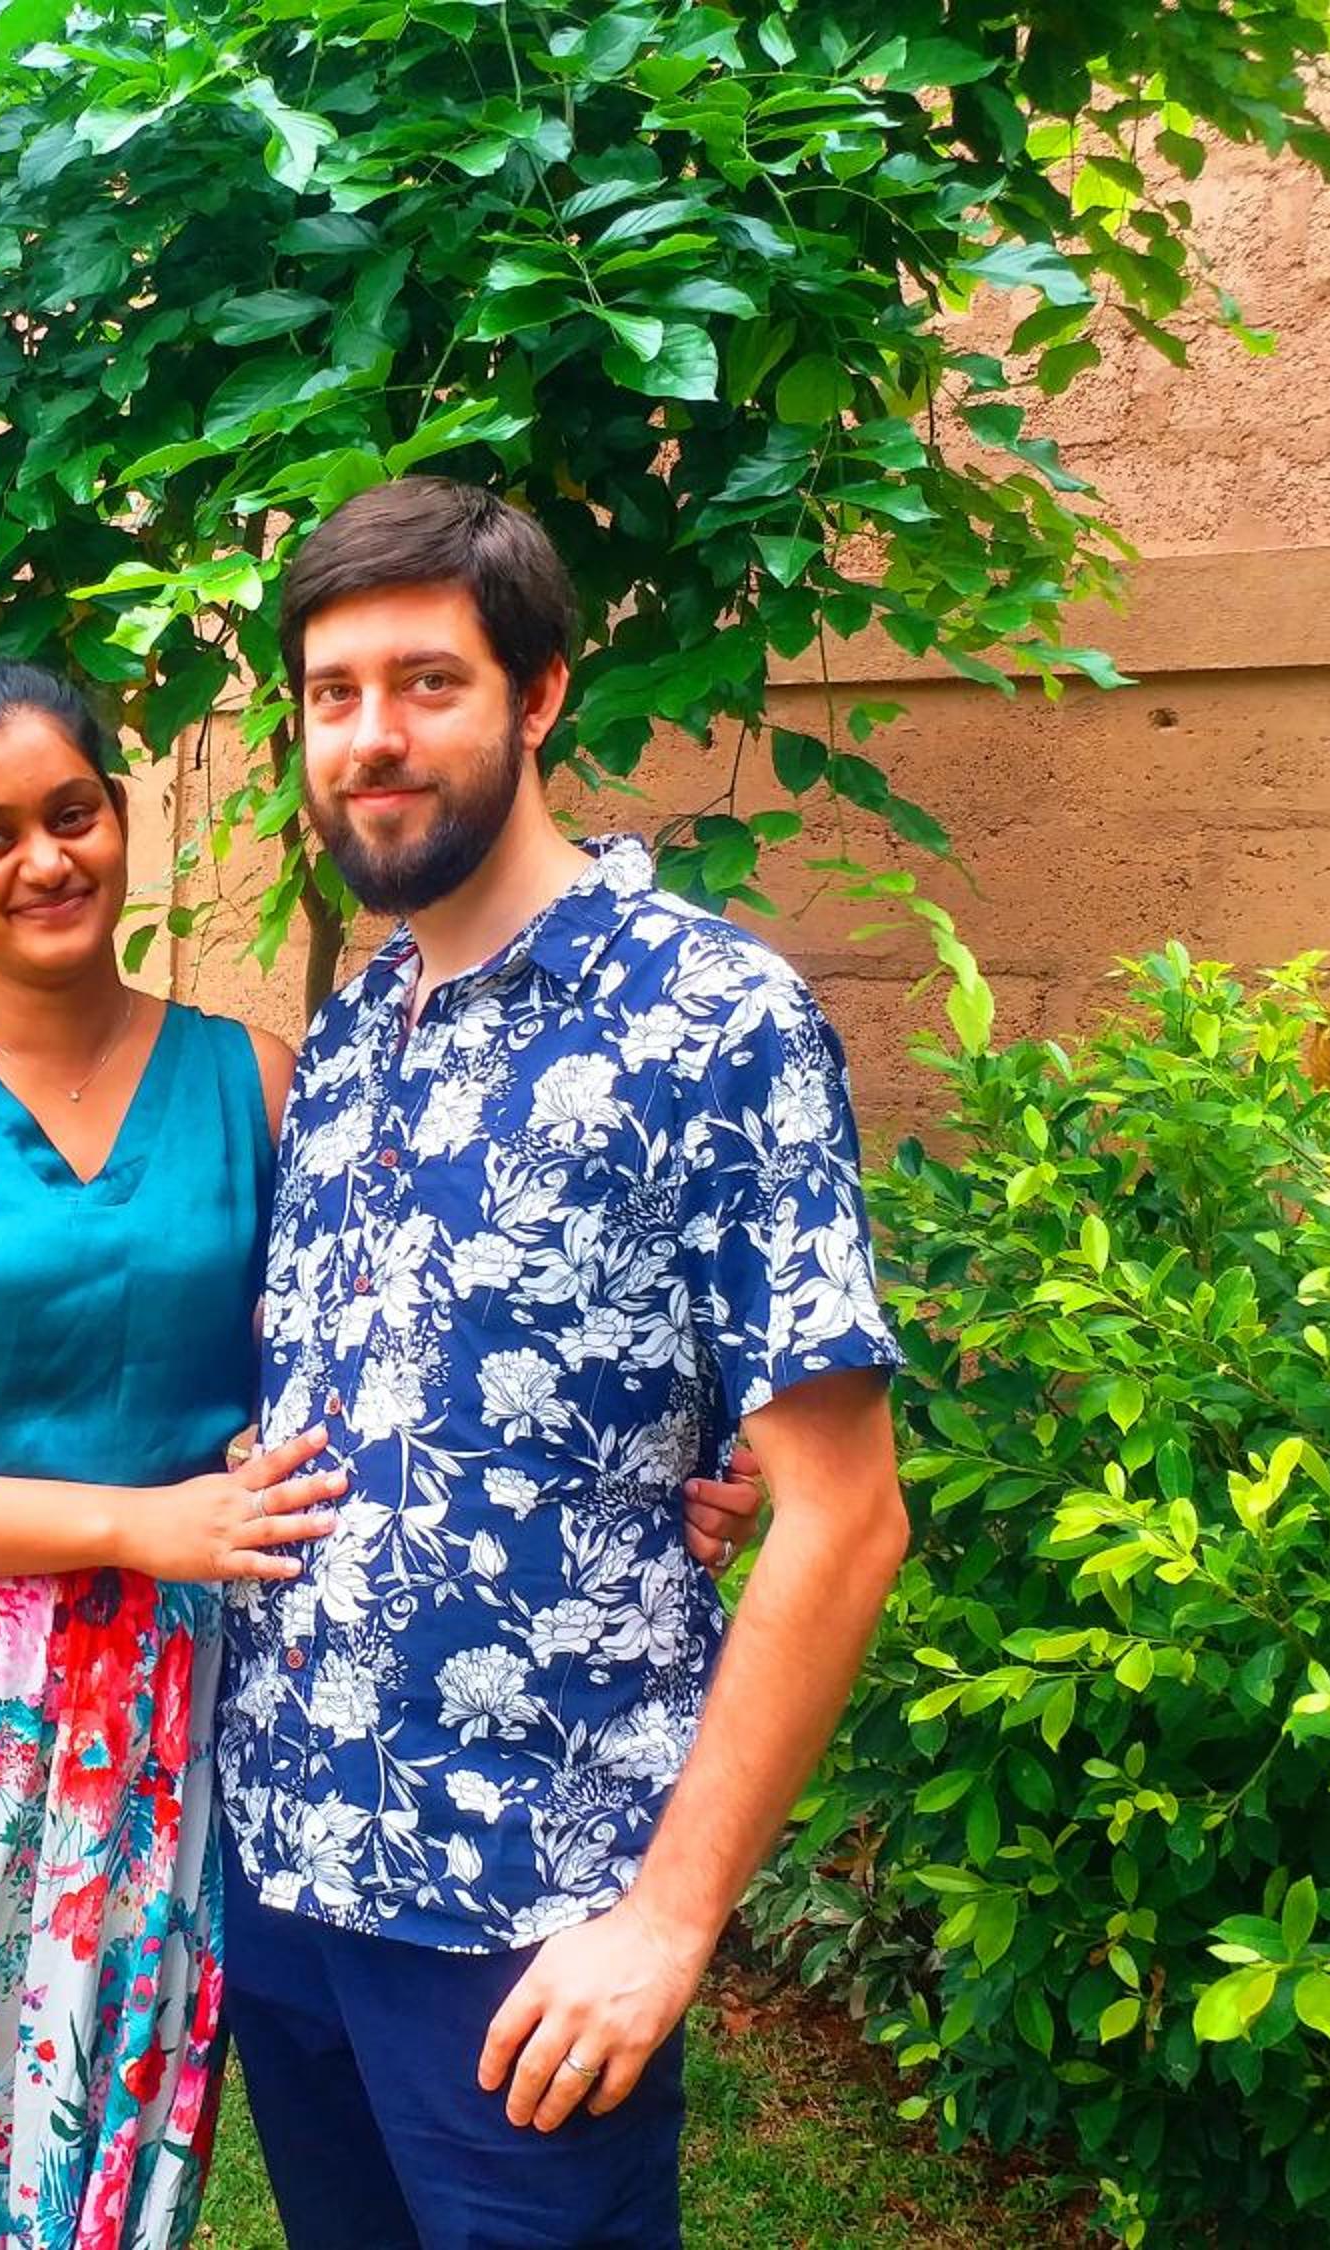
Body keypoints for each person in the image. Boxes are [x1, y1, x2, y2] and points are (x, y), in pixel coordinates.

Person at [0, 654, 764, 2250]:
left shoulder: (256, 1080)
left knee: (74, 2156)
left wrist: (659, 1479)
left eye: (73, 813)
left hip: (158, 1730)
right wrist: (133, 1523)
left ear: (121, 812)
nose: (46, 860)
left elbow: (406, 1347)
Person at [215, 478, 912, 2250]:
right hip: (287, 1872)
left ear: (537, 695)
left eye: (426, 682)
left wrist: (668, 1923)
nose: (371, 736)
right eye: (332, 692)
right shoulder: (354, 1029)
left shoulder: (712, 1017)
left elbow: (847, 1516)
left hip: (532, 1922)